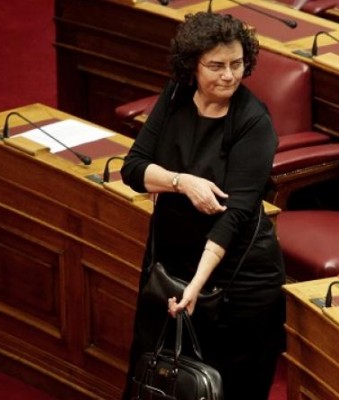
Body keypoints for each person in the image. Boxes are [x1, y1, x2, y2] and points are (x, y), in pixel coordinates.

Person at [120, 12, 284, 400]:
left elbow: (235, 215)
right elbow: (133, 168)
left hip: (235, 278)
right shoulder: (176, 94)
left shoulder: (254, 121)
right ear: (192, 65)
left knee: (221, 389)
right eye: (216, 65)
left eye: (236, 64)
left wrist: (196, 284)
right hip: (169, 262)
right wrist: (182, 182)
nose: (229, 75)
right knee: (154, 377)